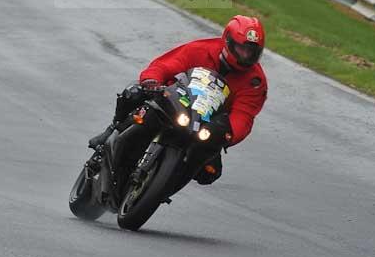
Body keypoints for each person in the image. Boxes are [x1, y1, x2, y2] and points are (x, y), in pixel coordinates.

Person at [89, 15, 268, 185]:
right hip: (176, 100)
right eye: (242, 49)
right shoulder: (201, 49)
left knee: (210, 171)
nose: (246, 56)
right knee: (134, 93)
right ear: (228, 41)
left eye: (251, 52)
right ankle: (112, 129)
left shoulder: (255, 82)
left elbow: (243, 116)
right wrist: (152, 80)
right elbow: (165, 65)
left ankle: (165, 184)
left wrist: (228, 135)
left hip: (208, 122)